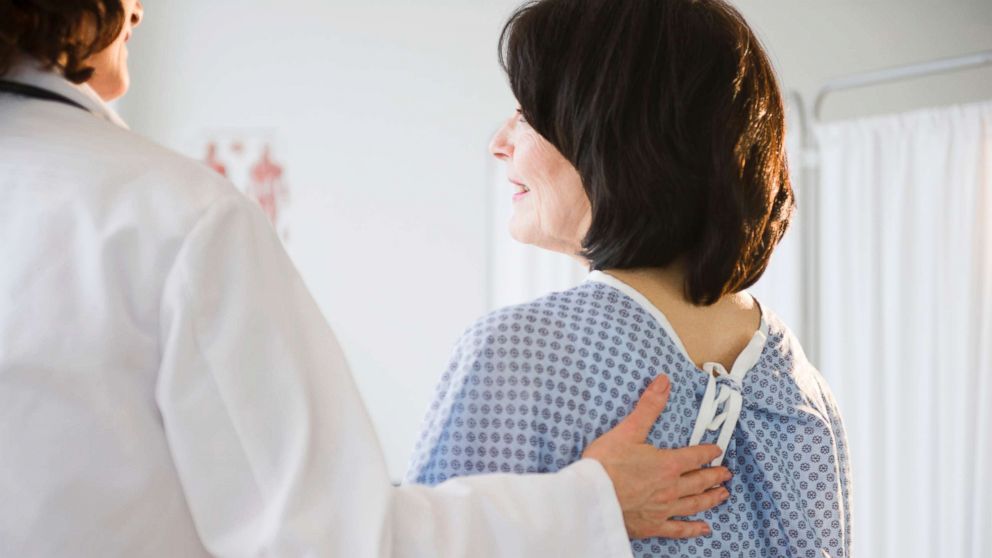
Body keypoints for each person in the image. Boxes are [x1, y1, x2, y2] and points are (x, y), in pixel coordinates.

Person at [0, 1, 733, 556]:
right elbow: (333, 542)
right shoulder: (175, 218)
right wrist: (588, 505)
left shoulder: (522, 355)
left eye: (528, 112)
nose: (140, 8)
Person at [407, 0, 853, 556]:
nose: (499, 142)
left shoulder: (520, 358)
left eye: (525, 115)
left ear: (610, 133)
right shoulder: (804, 395)